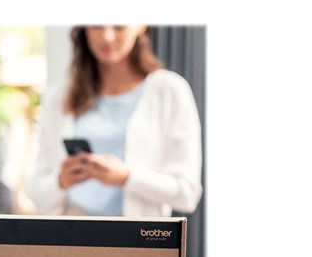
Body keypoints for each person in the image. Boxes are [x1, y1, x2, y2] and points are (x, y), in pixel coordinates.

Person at [26, 26, 202, 217]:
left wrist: (126, 177)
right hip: (71, 231)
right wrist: (61, 181)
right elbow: (37, 193)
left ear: (141, 26)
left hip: (137, 234)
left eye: (119, 26)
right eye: (97, 25)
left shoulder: (170, 91)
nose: (107, 37)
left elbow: (187, 193)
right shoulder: (58, 97)